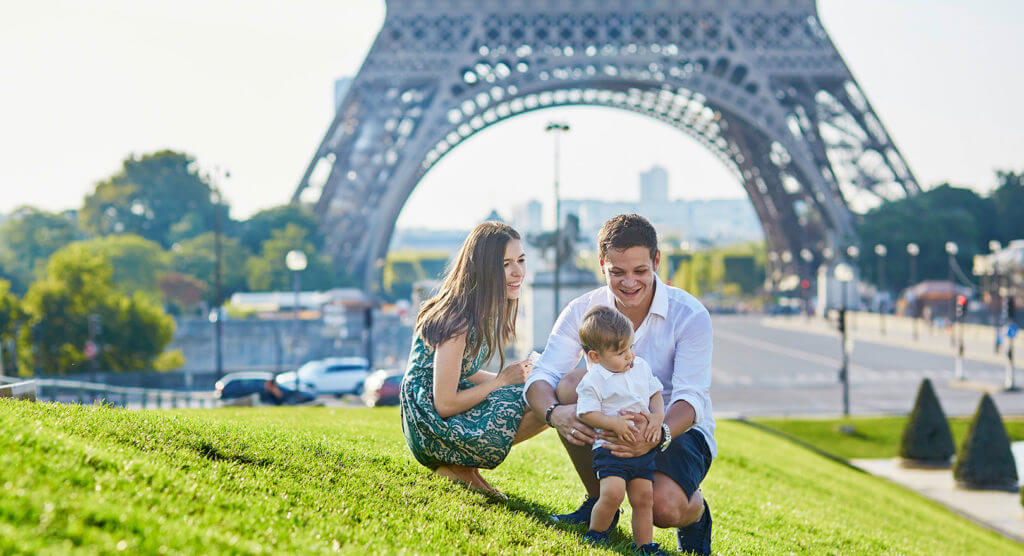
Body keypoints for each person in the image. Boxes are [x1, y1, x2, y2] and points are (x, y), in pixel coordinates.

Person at [525, 214, 716, 555]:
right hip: (609, 421)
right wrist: (555, 415)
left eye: (640, 271)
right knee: (569, 387)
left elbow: (690, 398)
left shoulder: (690, 314)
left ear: (656, 261)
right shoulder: (582, 310)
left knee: (665, 509)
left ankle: (697, 515)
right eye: (617, 272)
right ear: (602, 265)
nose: (629, 282)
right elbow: (542, 376)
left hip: (676, 426)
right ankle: (600, 501)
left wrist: (657, 434)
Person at [400, 221, 547, 498]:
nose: (518, 272)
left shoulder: (478, 311)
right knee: (537, 404)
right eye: (505, 264)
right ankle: (456, 463)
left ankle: (464, 468)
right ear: (484, 269)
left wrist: (522, 377)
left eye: (521, 260)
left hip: (437, 413)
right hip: (429, 423)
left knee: (540, 394)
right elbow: (444, 404)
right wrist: (503, 380)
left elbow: (464, 372)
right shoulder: (457, 320)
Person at [575, 306, 668, 556]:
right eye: (620, 352)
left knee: (643, 499)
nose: (629, 356)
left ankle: (645, 545)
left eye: (630, 348)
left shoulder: (640, 367)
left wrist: (657, 417)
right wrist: (614, 424)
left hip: (642, 451)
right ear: (595, 356)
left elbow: (655, 394)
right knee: (613, 494)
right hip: (610, 450)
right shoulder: (594, 380)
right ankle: (596, 534)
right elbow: (586, 413)